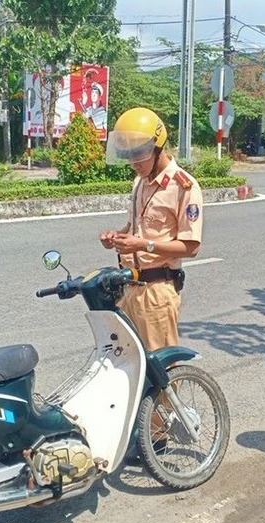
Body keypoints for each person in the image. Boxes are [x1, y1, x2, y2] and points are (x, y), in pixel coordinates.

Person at [99, 107, 203, 351]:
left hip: (157, 292)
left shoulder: (183, 187)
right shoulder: (140, 182)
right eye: (129, 155)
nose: (134, 163)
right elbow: (135, 227)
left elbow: (191, 247)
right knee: (128, 363)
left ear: (158, 148)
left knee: (161, 370)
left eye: (140, 155)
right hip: (130, 288)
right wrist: (117, 236)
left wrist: (143, 245)